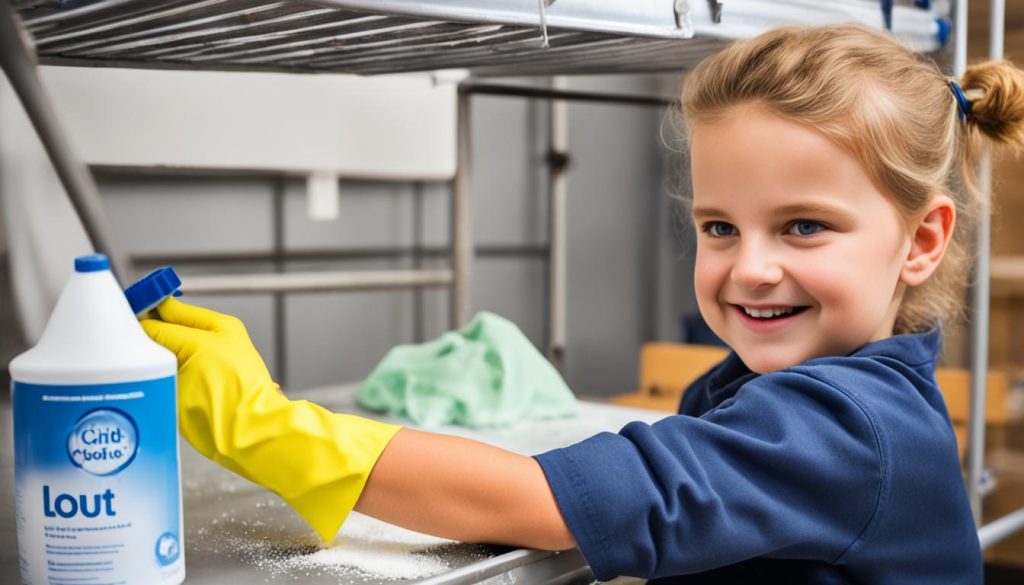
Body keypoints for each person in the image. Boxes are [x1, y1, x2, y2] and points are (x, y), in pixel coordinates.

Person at [141, 23, 1024, 584]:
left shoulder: (848, 428)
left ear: (920, 240)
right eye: (719, 226)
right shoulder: (773, 389)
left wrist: (268, 425)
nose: (749, 268)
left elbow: (539, 499)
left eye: (802, 226)